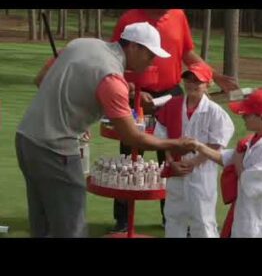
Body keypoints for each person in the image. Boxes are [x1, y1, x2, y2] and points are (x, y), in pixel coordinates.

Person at [15, 22, 196, 238]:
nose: (152, 61)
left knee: (43, 225)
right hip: (57, 150)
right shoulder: (111, 78)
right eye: (149, 54)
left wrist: (79, 112)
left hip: (26, 139)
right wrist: (176, 143)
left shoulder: (82, 44)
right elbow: (132, 137)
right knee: (71, 228)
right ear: (134, 47)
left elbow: (41, 80)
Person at [110, 9, 239, 232]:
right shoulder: (129, 18)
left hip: (171, 92)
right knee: (130, 156)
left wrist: (215, 76)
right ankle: (123, 220)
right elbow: (115, 59)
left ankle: (169, 216)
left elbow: (188, 53)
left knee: (170, 153)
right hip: (135, 93)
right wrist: (130, 92)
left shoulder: (178, 15)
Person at [154, 62, 235, 237]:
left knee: (203, 221)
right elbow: (162, 136)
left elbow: (218, 143)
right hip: (176, 171)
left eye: (197, 81)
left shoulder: (216, 112)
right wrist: (170, 160)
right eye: (188, 79)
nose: (191, 84)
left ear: (208, 84)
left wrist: (194, 162)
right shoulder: (172, 105)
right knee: (173, 218)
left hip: (202, 173)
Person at [194, 89, 262, 237]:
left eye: (247, 113)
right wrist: (199, 146)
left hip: (258, 226)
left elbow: (247, 181)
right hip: (245, 218)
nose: (242, 116)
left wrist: (238, 156)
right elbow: (225, 158)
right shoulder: (256, 140)